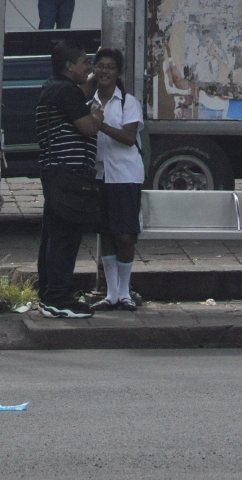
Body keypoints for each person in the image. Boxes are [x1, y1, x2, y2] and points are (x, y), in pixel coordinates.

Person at [35, 40, 104, 318]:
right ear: (68, 66)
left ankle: (50, 296)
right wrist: (97, 116)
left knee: (53, 236)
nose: (87, 67)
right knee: (65, 238)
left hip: (57, 173)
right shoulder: (65, 92)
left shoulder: (57, 88)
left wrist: (97, 68)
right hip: (68, 174)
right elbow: (87, 127)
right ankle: (59, 299)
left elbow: (85, 87)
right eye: (84, 62)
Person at [87, 48, 144, 312]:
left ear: (118, 72)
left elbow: (129, 138)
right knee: (106, 233)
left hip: (125, 175)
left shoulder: (127, 102)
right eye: (99, 66)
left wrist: (100, 125)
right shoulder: (89, 101)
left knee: (124, 234)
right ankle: (110, 294)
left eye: (110, 67)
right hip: (100, 174)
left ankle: (125, 292)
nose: (104, 72)